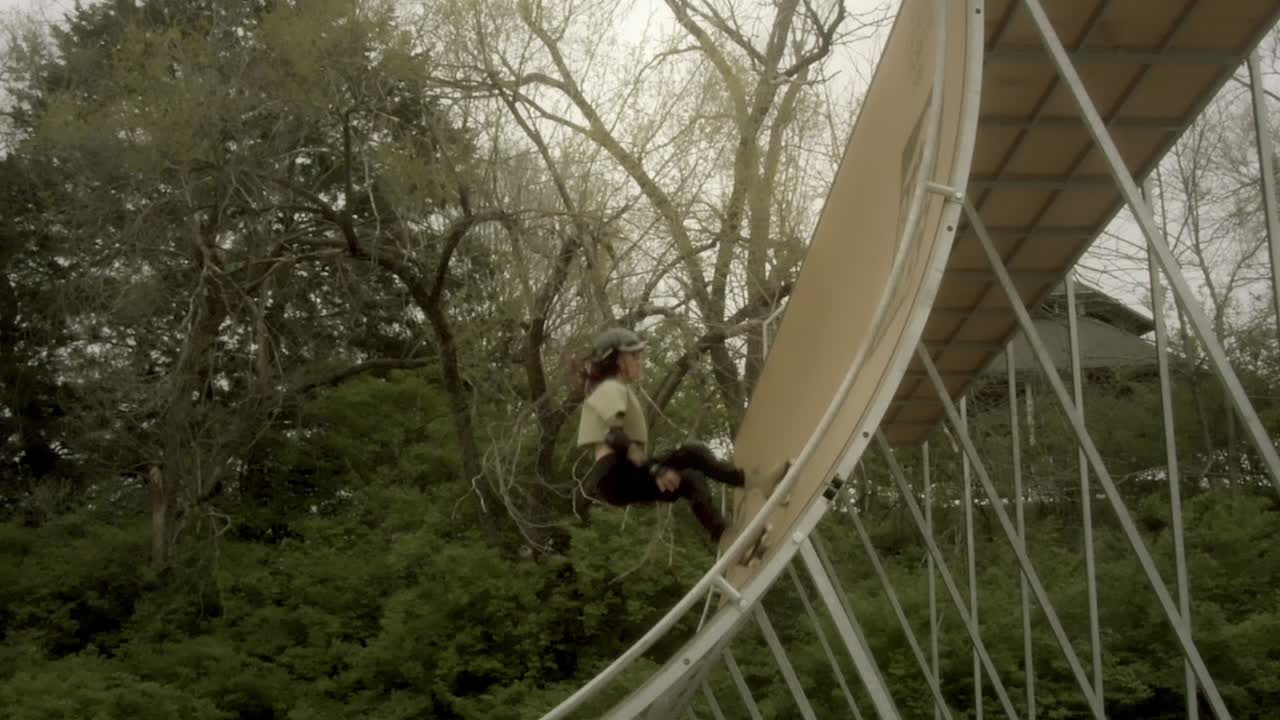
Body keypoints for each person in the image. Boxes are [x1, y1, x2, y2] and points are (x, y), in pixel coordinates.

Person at [575, 327, 746, 541]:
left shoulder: (609, 390)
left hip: (614, 478)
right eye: (634, 357)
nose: (640, 362)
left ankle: (722, 533)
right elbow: (614, 437)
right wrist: (655, 469)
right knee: (693, 453)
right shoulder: (610, 387)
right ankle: (745, 481)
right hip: (616, 473)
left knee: (690, 479)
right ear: (617, 360)